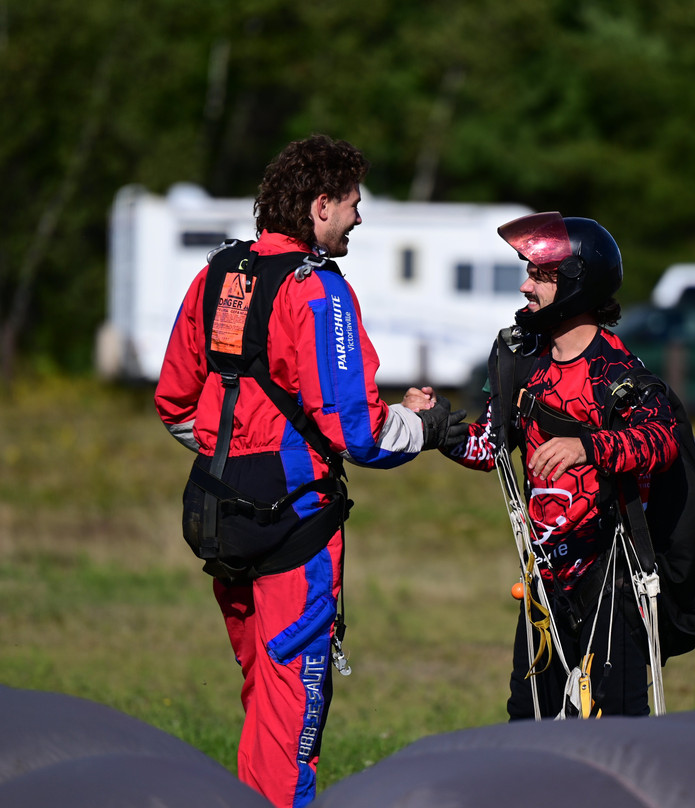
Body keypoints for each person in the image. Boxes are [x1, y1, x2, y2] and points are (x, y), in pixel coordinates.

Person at [154, 134, 465, 808]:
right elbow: (356, 433)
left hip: (218, 518)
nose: (359, 218)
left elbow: (175, 400)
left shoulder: (219, 274)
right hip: (293, 529)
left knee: (261, 694)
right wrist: (428, 429)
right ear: (322, 206)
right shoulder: (317, 291)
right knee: (290, 705)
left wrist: (231, 456)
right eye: (354, 204)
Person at [428, 211, 684, 719]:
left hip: (615, 579)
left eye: (539, 276)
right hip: (544, 583)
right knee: (528, 724)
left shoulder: (618, 372)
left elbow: (663, 439)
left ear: (575, 283)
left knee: (617, 733)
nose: (524, 285)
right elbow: (491, 447)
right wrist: (438, 429)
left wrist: (588, 446)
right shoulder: (519, 359)